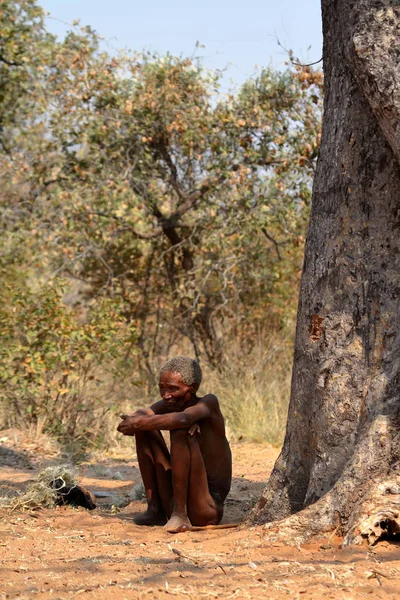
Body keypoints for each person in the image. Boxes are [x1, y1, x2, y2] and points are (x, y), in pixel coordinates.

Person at [117, 356, 232, 533]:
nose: (166, 395)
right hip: (174, 498)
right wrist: (135, 421)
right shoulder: (171, 403)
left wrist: (137, 422)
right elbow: (144, 413)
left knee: (180, 429)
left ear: (192, 388)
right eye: (162, 388)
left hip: (206, 507)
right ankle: (154, 508)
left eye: (173, 389)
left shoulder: (208, 403)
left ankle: (180, 514)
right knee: (145, 427)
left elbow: (184, 418)